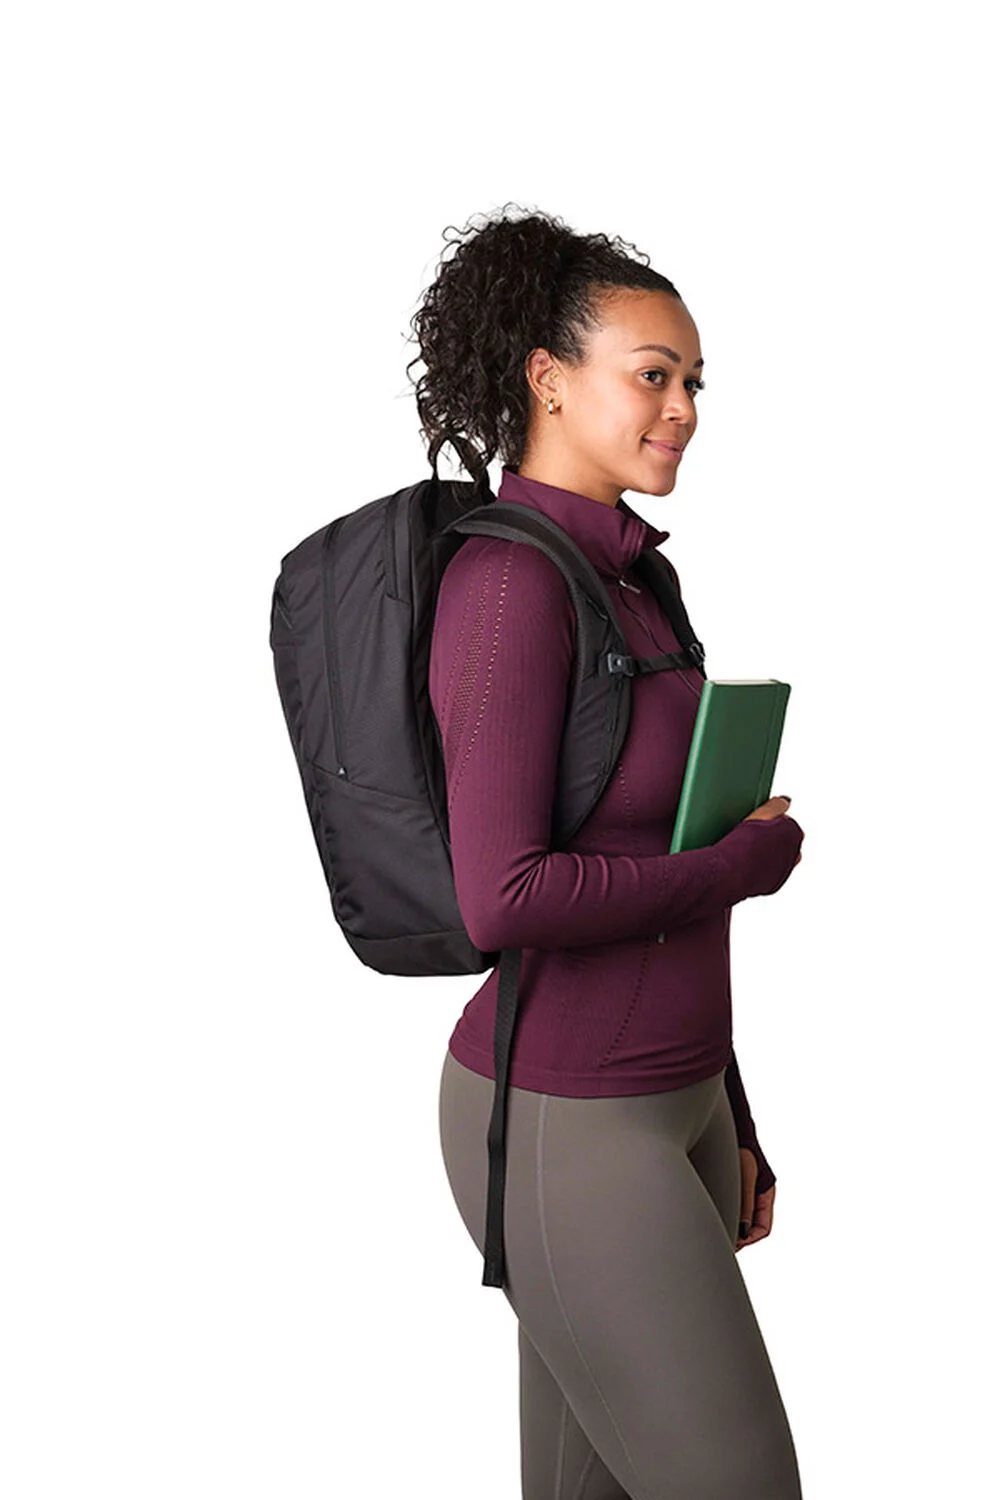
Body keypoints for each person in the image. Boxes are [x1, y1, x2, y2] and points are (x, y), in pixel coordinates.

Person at [410, 204, 806, 1500]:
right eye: (653, 375)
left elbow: (666, 850)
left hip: (677, 1100)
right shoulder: (511, 589)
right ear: (548, 379)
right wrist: (741, 867)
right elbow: (503, 897)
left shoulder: (637, 581)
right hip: (567, 1126)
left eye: (695, 382)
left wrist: (730, 1108)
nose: (683, 408)